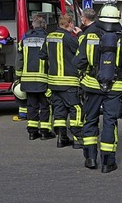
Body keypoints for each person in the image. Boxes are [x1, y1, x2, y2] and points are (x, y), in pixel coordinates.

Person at [73, 5, 122, 173]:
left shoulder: (89, 36)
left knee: (90, 120)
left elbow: (78, 62)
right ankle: (108, 162)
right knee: (109, 122)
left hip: (92, 86)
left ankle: (90, 158)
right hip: (115, 88)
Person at [40, 14, 82, 148]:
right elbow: (82, 52)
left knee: (59, 109)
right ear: (70, 24)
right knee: (75, 109)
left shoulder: (49, 36)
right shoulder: (70, 38)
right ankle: (77, 139)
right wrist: (80, 35)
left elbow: (42, 55)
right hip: (69, 81)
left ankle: (61, 138)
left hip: (53, 81)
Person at [16, 14, 53, 140]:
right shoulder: (47, 39)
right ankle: (44, 131)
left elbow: (19, 59)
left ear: (33, 25)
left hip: (27, 79)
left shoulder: (24, 40)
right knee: (45, 106)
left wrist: (18, 75)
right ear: (44, 26)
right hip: (43, 78)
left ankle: (32, 132)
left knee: (31, 106)